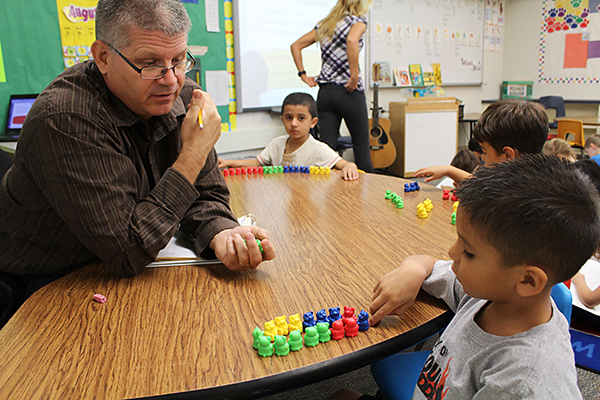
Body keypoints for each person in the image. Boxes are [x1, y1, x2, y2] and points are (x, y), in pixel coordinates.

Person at [0, 0, 275, 296]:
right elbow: (127, 248)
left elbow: (205, 195)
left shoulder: (183, 96)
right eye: (150, 64)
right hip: (56, 275)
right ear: (103, 56)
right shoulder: (64, 118)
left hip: (136, 258)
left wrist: (221, 231)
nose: (170, 81)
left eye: (179, 59)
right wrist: (193, 153)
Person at [366, 155, 600, 399]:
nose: (452, 252)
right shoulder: (489, 294)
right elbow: (427, 264)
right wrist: (413, 270)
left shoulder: (522, 385)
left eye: (468, 252)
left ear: (528, 281)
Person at [290, 0, 374, 173]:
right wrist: (354, 76)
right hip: (348, 92)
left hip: (325, 93)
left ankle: (326, 196)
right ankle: (369, 194)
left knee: (326, 149)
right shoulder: (358, 21)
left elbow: (295, 46)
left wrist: (303, 75)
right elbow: (352, 40)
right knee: (361, 144)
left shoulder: (325, 25)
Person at [218, 93, 359, 180]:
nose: (294, 124)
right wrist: (229, 162)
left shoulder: (318, 149)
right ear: (282, 119)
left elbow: (344, 164)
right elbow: (257, 163)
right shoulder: (276, 144)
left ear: (313, 122)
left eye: (301, 118)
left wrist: (350, 166)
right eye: (289, 117)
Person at [414, 99, 548, 184]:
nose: (483, 158)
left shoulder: (510, 197)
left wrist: (467, 195)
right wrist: (450, 170)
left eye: (485, 152)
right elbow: (480, 183)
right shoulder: (532, 175)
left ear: (508, 155)